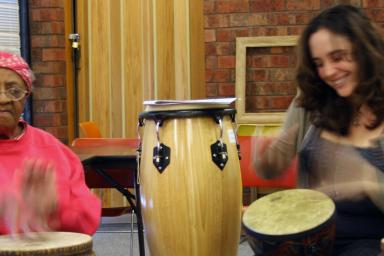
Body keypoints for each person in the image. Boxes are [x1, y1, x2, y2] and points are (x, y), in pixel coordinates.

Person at [252, 4, 384, 255]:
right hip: (310, 240)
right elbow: (271, 168)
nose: (328, 72)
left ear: (363, 50)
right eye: (319, 63)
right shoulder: (311, 101)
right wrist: (268, 160)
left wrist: (370, 180)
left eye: (337, 57)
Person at [0, 51, 101, 235]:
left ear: (26, 97)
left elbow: (89, 220)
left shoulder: (54, 150)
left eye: (14, 91)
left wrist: (55, 210)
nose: (3, 99)